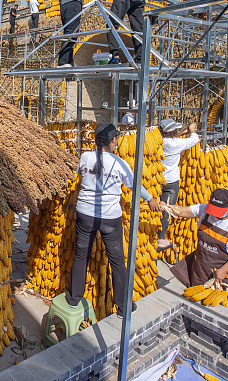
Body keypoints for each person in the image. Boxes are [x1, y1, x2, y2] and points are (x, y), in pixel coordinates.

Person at [66, 124, 160, 317]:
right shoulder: (120, 163)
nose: (117, 141)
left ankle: (74, 298)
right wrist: (150, 199)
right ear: (111, 141)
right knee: (117, 260)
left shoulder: (85, 157)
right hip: (109, 217)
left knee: (81, 255)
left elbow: (78, 174)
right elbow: (135, 187)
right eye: (115, 138)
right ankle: (123, 307)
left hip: (85, 214)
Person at [163, 188, 228, 314]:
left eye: (219, 211)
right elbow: (185, 211)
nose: (214, 215)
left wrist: (223, 271)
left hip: (222, 277)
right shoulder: (205, 210)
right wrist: (167, 207)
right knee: (197, 304)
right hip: (201, 269)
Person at [150, 119, 201, 250]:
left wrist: (182, 131)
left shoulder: (157, 140)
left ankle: (150, 231)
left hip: (156, 179)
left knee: (153, 206)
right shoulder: (177, 144)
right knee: (167, 209)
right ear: (173, 131)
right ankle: (161, 238)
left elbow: (170, 138)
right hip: (171, 182)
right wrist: (192, 129)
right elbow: (195, 139)